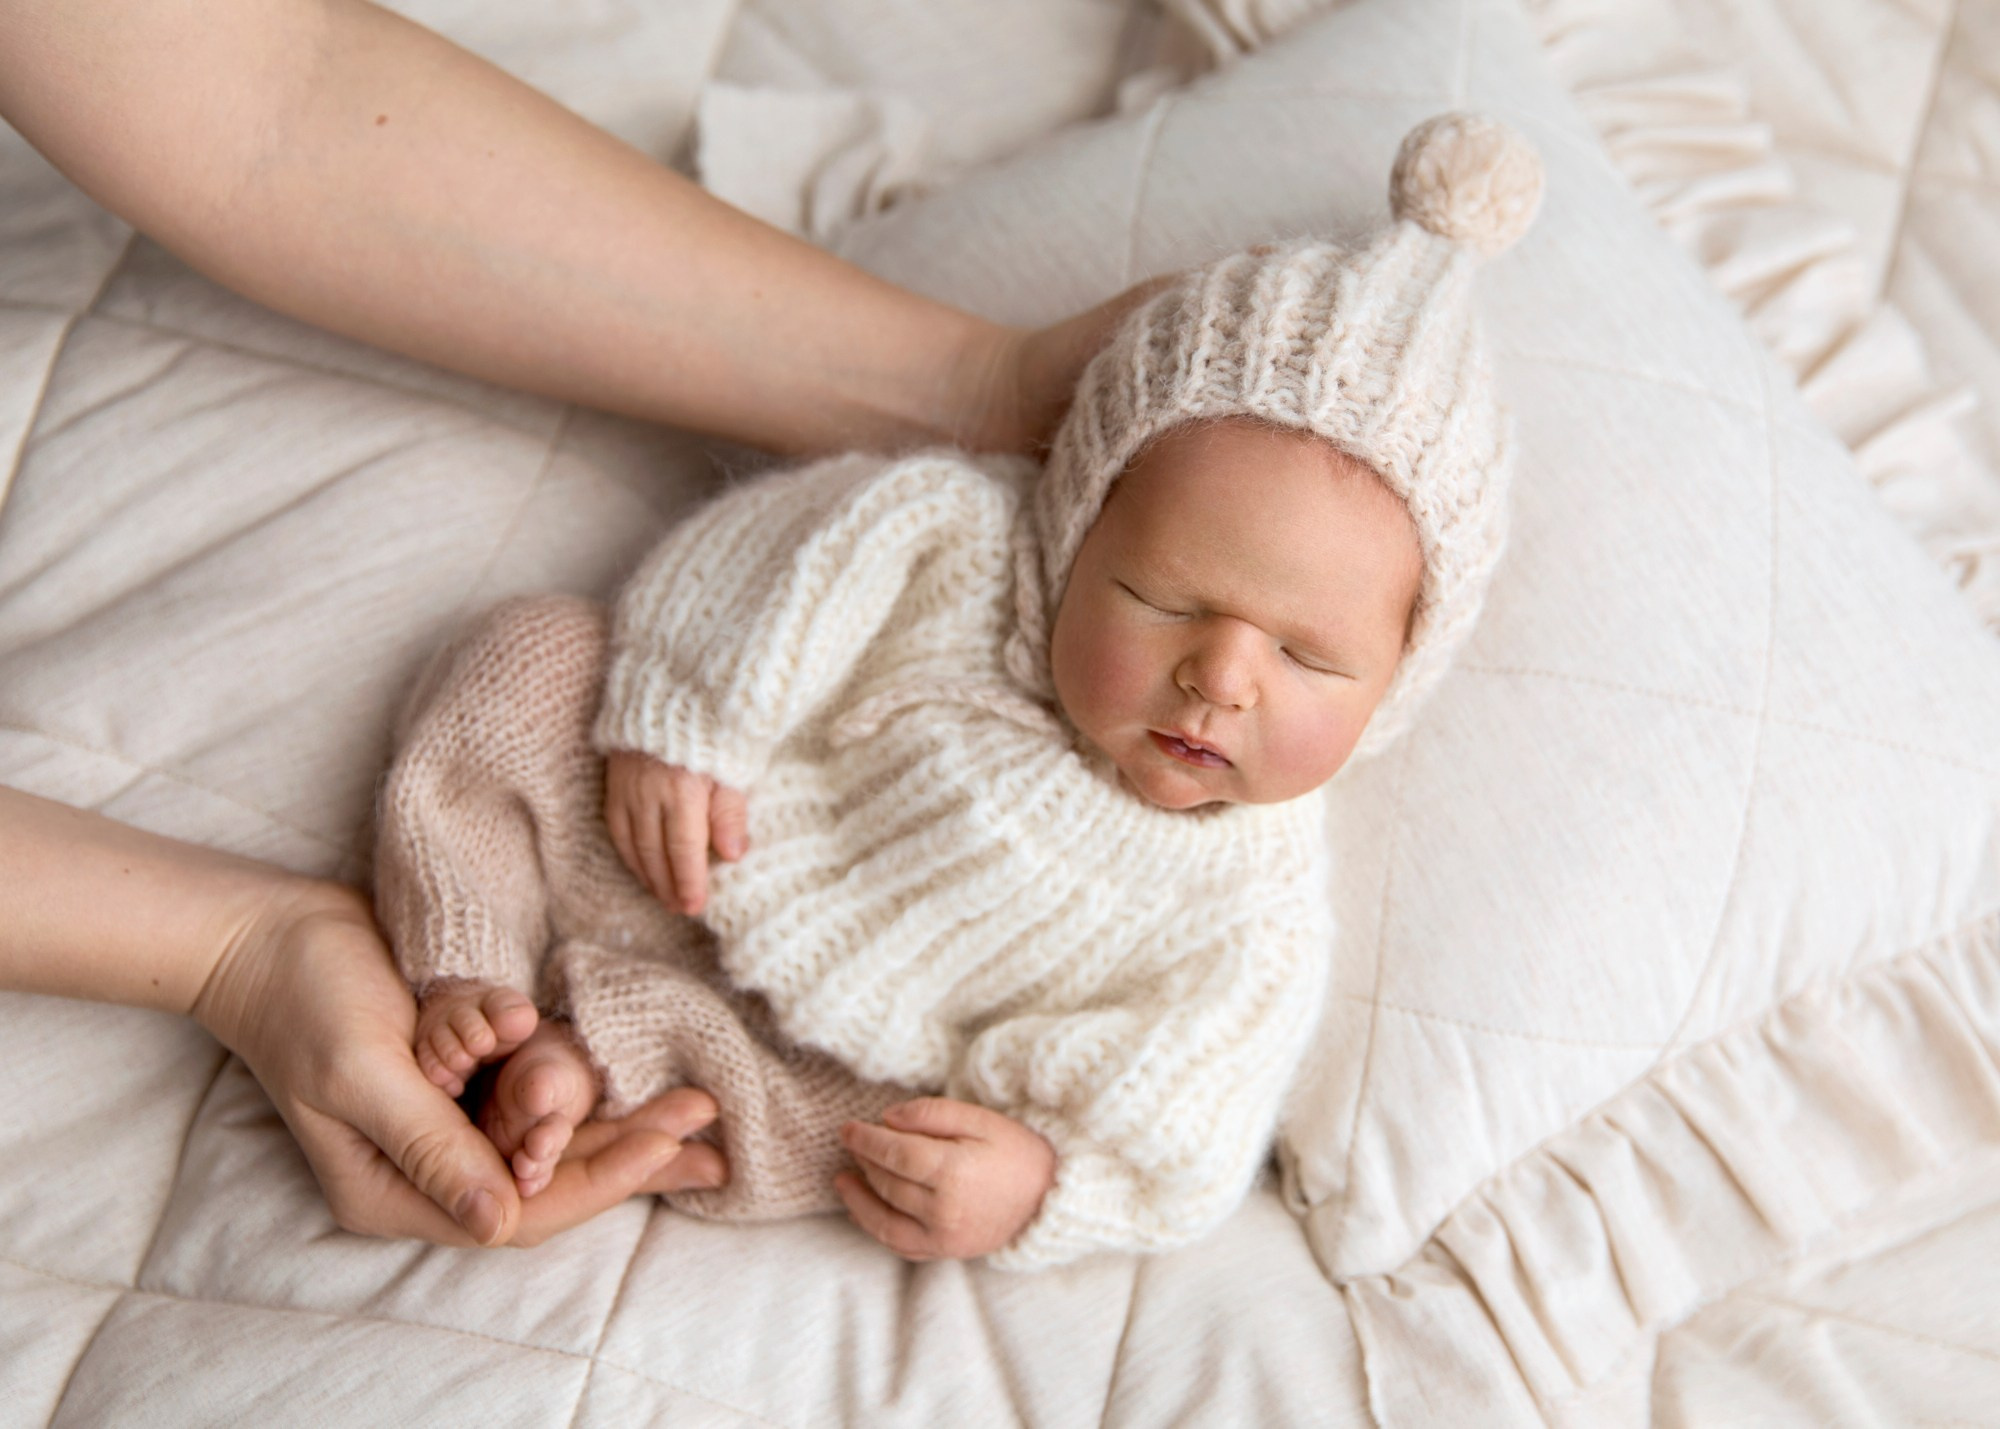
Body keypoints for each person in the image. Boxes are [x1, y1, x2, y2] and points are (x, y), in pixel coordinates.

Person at [0, 0, 1164, 1249]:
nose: (1219, 678)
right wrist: (226, 947)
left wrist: (968, 388)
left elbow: (267, 105)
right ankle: (552, 1027)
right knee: (533, 678)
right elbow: (741, 578)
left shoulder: (1221, 898)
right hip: (654, 891)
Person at [375, 114, 1545, 1266]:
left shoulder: (1254, 908)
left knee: (871, 1147)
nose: (1220, 676)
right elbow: (773, 565)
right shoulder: (958, 541)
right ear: (1079, 519)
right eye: (1167, 596)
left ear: (1395, 682)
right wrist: (686, 721)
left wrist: (1042, 1187)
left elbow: (1190, 1126)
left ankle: (578, 1076)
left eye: (1308, 657)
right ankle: (468, 961)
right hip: (687, 837)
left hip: (849, 1054)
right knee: (532, 660)